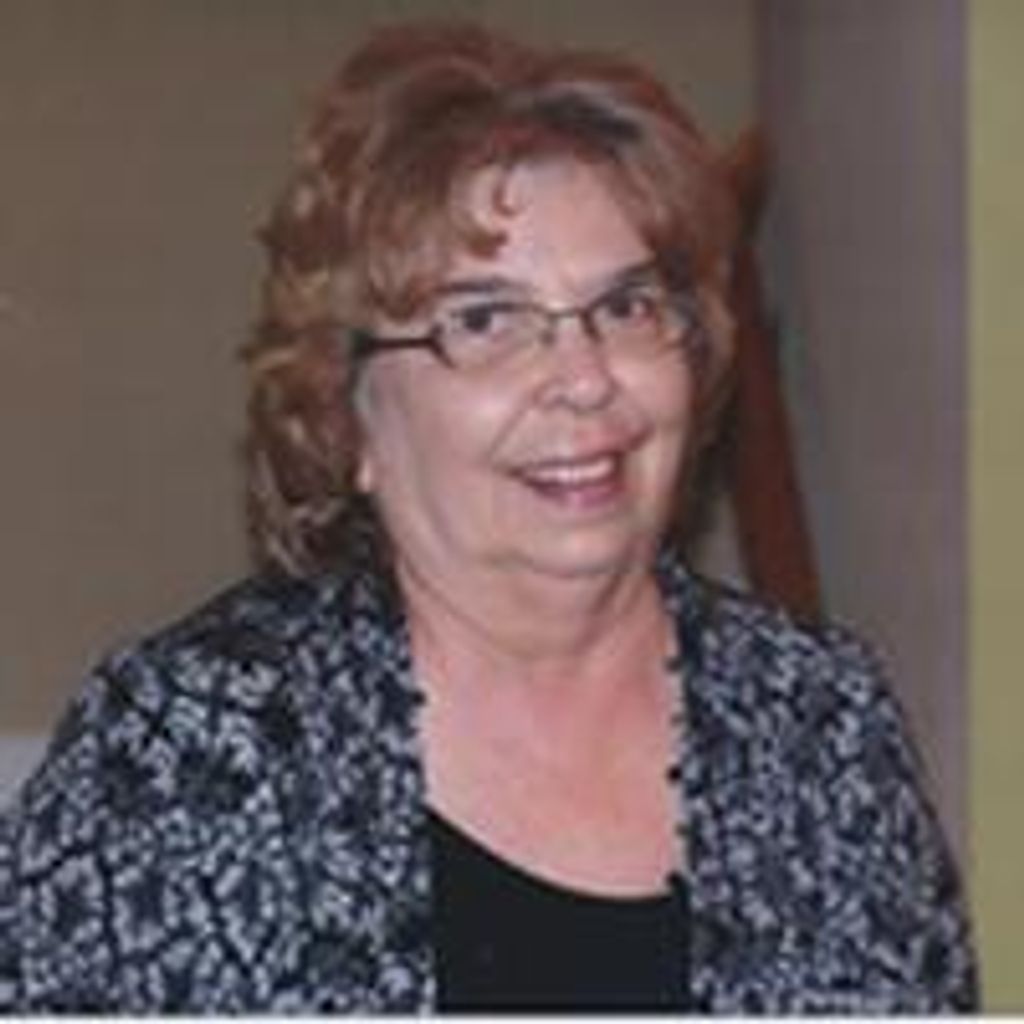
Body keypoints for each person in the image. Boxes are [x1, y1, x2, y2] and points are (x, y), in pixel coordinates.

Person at [0, 20, 977, 1014]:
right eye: (485, 320)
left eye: (627, 306)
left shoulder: (821, 723)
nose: (584, 378)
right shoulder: (187, 748)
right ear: (349, 415)